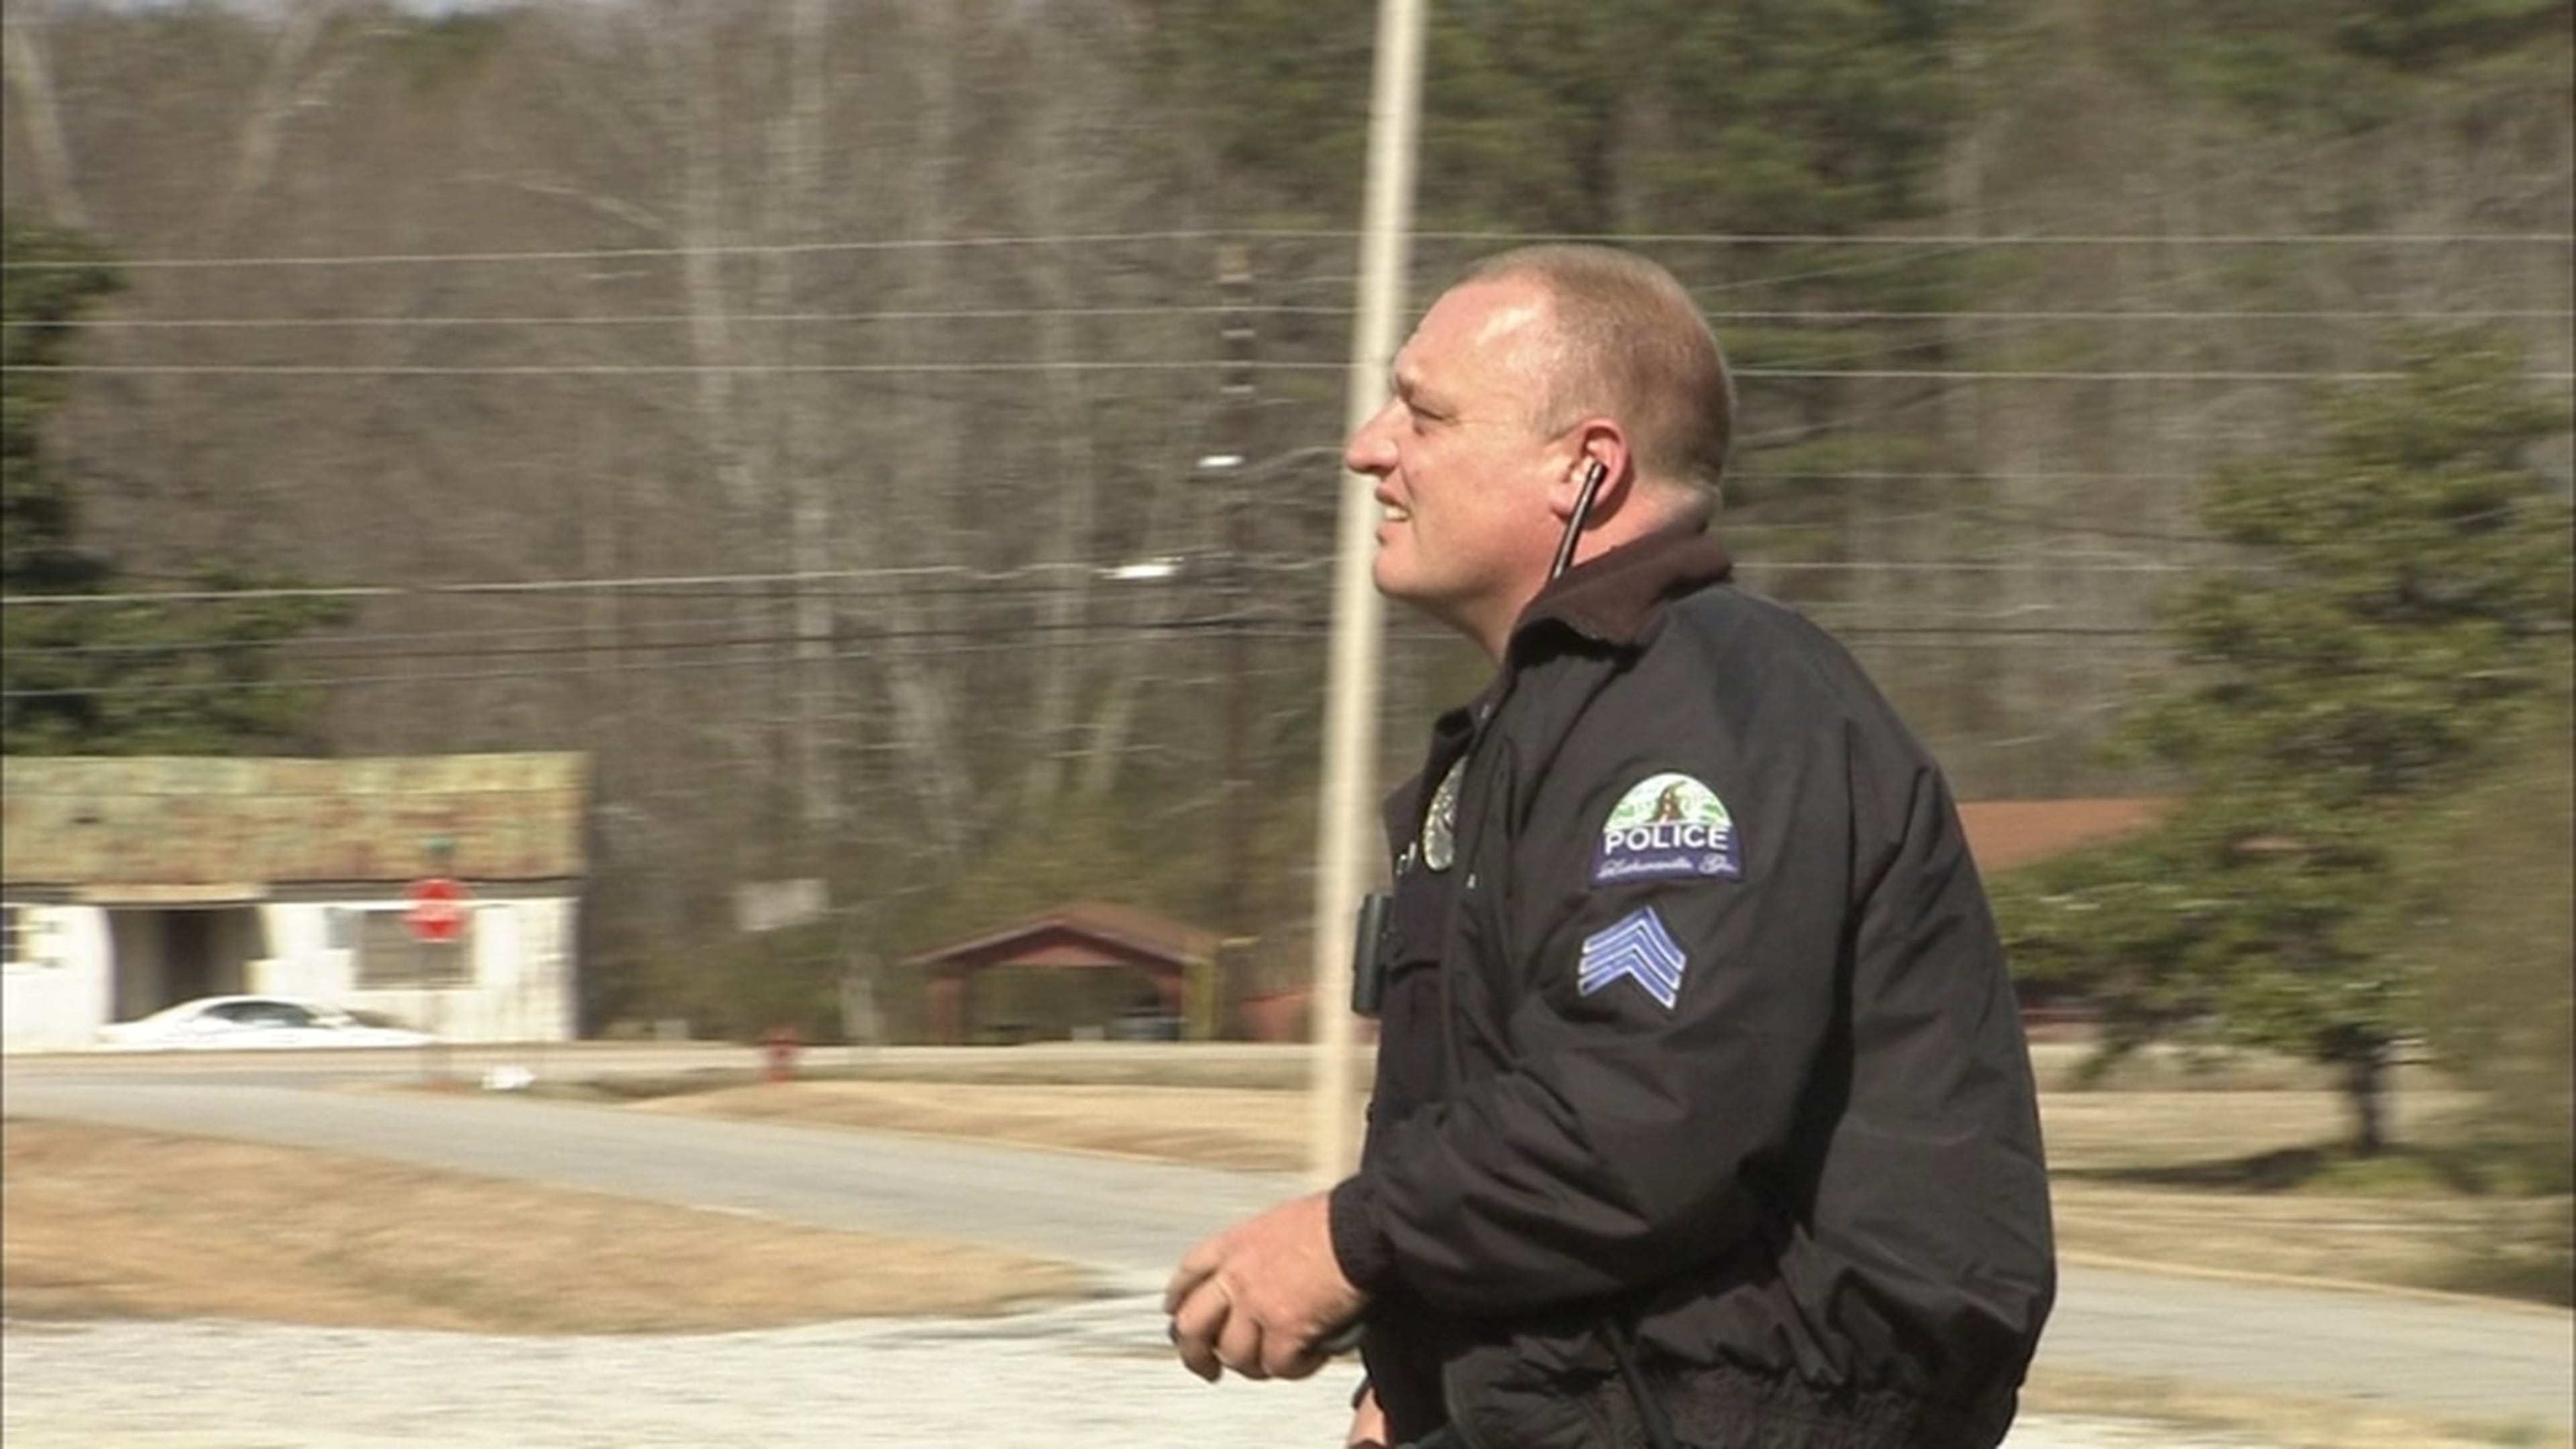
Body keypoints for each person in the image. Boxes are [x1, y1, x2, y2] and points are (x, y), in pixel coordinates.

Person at [1164, 244, 2055, 1449]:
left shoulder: (1714, 709)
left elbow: (1647, 1110)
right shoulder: (1555, 726)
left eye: (1424, 413)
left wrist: (1348, 1244)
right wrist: (1416, 1378)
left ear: (1585, 468)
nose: (1368, 447)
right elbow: (1530, 1114)